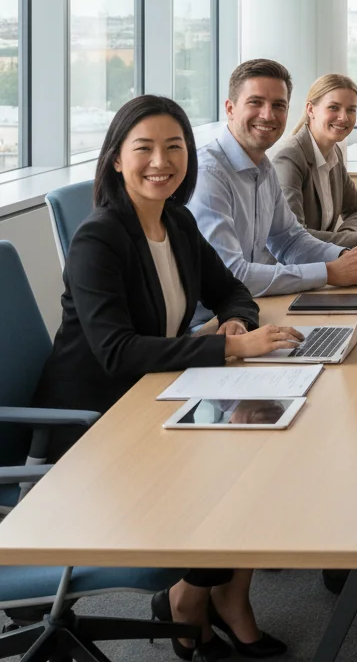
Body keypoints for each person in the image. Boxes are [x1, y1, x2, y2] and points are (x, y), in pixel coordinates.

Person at [32, 95, 298, 660]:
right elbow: (116, 352)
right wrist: (228, 347)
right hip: (96, 421)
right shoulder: (98, 238)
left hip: (155, 393)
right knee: (234, 466)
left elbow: (233, 291)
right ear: (116, 160)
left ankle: (225, 599)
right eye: (144, 148)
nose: (161, 161)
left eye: (174, 147)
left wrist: (233, 322)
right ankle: (189, 603)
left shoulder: (175, 220)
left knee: (265, 443)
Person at [188, 59, 357, 318]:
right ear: (230, 109)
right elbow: (232, 273)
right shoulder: (208, 175)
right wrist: (330, 272)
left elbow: (290, 240)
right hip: (209, 324)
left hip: (250, 308)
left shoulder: (263, 167)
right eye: (256, 102)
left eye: (279, 105)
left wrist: (346, 256)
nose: (268, 115)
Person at [273, 73, 357, 249]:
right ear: (310, 109)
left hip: (324, 261)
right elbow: (294, 238)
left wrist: (354, 236)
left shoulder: (334, 152)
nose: (344, 117)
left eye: (351, 109)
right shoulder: (289, 159)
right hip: (291, 270)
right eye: (333, 107)